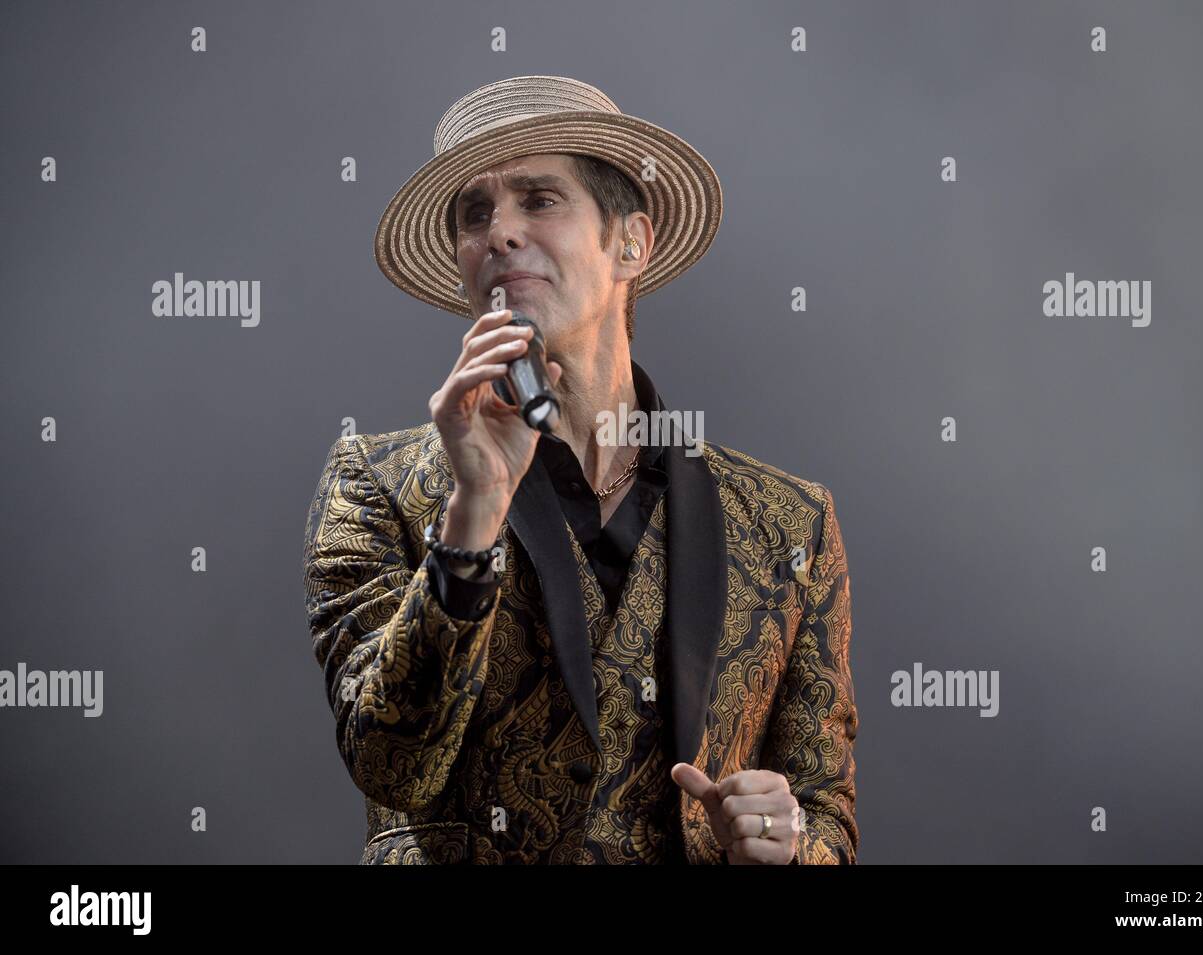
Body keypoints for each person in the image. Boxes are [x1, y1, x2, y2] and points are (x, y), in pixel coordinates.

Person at [303, 75, 857, 864]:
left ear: (630, 243)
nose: (499, 232)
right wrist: (473, 514)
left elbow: (824, 810)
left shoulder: (789, 519)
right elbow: (392, 764)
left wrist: (786, 846)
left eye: (538, 199)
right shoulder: (375, 482)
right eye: (475, 213)